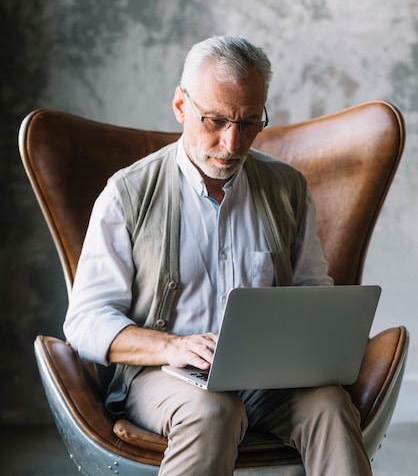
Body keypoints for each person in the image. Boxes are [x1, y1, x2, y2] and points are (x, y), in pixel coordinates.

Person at [64, 36, 372, 476]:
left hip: (269, 378)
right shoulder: (126, 194)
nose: (232, 143)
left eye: (249, 123)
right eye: (216, 120)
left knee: (331, 405)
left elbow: (311, 291)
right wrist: (174, 347)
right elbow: (86, 320)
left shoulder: (288, 189)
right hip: (163, 377)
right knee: (213, 411)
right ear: (180, 106)